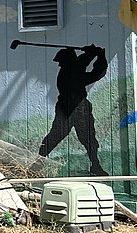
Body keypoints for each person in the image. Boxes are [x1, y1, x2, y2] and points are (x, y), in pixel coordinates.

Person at [39, 44, 109, 176]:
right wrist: (96, 53)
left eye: (61, 62)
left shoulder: (71, 69)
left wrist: (96, 54)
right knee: (56, 136)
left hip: (76, 108)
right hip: (70, 108)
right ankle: (38, 162)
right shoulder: (69, 72)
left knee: (89, 139)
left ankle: (95, 165)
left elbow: (93, 70)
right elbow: (93, 70)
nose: (59, 65)